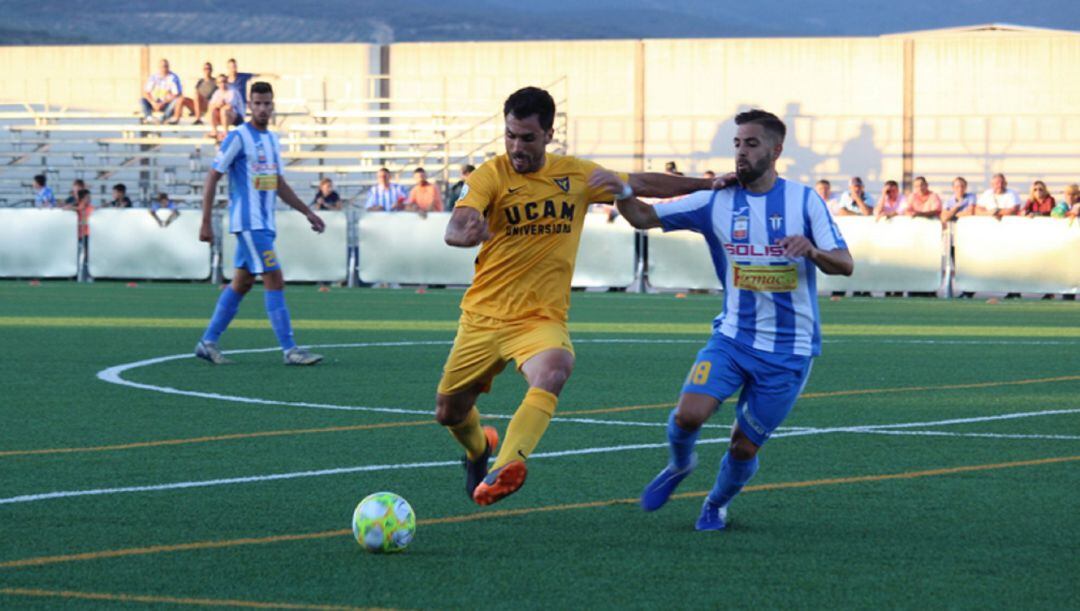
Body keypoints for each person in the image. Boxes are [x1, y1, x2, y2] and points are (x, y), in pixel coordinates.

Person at [436, 86, 722, 507]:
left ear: (549, 134)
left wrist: (709, 183)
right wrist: (466, 232)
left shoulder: (575, 175)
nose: (517, 146)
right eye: (510, 135)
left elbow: (642, 182)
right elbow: (457, 224)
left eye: (527, 138)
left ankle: (506, 464)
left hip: (539, 318)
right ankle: (479, 450)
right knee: (449, 413)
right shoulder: (490, 175)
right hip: (482, 317)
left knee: (555, 368)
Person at [590, 109, 853, 531]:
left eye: (751, 144)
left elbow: (845, 264)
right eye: (737, 144)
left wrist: (812, 251)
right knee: (687, 416)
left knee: (743, 448)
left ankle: (715, 503)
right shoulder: (716, 199)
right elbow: (642, 217)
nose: (741, 153)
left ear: (775, 149)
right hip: (732, 338)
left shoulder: (804, 201)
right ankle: (680, 464)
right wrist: (621, 189)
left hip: (790, 351)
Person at [195, 82, 326, 367]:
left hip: (264, 223)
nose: (263, 108)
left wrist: (308, 212)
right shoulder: (238, 137)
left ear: (272, 105)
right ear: (249, 106)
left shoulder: (272, 140)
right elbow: (212, 176)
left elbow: (278, 183)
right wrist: (206, 221)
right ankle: (290, 349)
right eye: (258, 103)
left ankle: (208, 342)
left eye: (267, 103)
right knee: (274, 278)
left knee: (241, 283)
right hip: (248, 223)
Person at [140, 59, 183, 124]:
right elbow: (146, 92)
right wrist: (153, 102)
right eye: (162, 66)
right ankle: (149, 117)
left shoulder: (173, 77)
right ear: (159, 67)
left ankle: (163, 118)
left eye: (166, 66)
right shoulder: (154, 77)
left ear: (168, 67)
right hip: (156, 102)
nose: (164, 68)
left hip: (167, 103)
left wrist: (163, 103)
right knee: (142, 100)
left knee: (176, 101)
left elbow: (176, 94)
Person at [207, 74, 244, 141]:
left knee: (224, 110)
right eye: (220, 82)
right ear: (217, 84)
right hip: (225, 116)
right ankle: (214, 131)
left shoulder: (232, 91)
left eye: (224, 81)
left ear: (227, 82)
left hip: (237, 117)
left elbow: (229, 106)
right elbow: (211, 105)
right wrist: (217, 105)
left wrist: (218, 105)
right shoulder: (217, 93)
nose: (222, 84)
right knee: (212, 110)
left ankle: (226, 132)